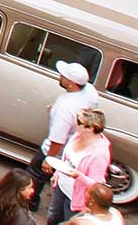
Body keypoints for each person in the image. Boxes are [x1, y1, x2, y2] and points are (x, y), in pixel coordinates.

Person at [35, 60, 101, 209]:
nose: (60, 76)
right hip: (72, 148)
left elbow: (57, 140)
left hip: (55, 151)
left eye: (63, 76)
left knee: (35, 175)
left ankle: (30, 202)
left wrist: (48, 159)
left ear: (71, 84)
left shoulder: (66, 108)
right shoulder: (89, 91)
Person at [43, 105, 112, 225]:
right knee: (53, 215)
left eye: (80, 123)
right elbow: (66, 159)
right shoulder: (77, 136)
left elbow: (96, 184)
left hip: (77, 196)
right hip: (62, 185)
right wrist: (57, 174)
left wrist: (78, 176)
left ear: (91, 128)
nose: (76, 124)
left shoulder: (100, 153)